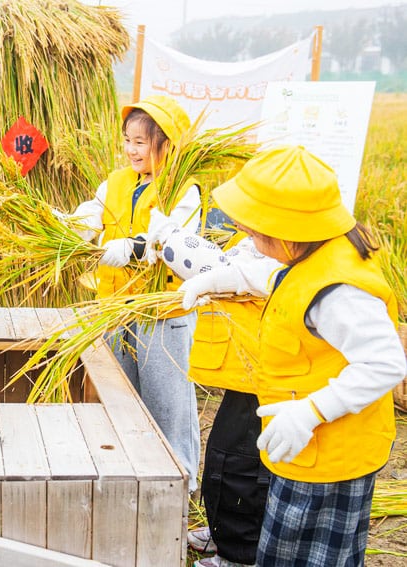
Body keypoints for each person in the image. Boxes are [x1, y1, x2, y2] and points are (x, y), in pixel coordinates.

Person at [191, 145, 406, 566]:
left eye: (255, 233)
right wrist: (223, 278)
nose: (249, 239)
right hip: (306, 450)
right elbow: (278, 278)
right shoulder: (312, 256)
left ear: (286, 229)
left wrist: (311, 411)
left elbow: (385, 363)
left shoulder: (340, 291)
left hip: (331, 458)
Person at [69, 94, 202, 493]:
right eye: (127, 140)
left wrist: (132, 248)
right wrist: (69, 228)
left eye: (141, 142)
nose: (131, 150)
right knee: (120, 400)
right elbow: (92, 214)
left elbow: (171, 241)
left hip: (162, 318)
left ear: (167, 143)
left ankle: (179, 490)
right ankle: (133, 484)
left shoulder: (183, 190)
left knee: (167, 407)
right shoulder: (116, 182)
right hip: (115, 312)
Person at [150, 210, 281, 567]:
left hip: (264, 376)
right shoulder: (255, 243)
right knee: (224, 455)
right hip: (243, 372)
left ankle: (239, 554)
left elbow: (230, 271)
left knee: (243, 464)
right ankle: (223, 531)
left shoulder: (283, 253)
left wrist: (173, 239)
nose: (239, 222)